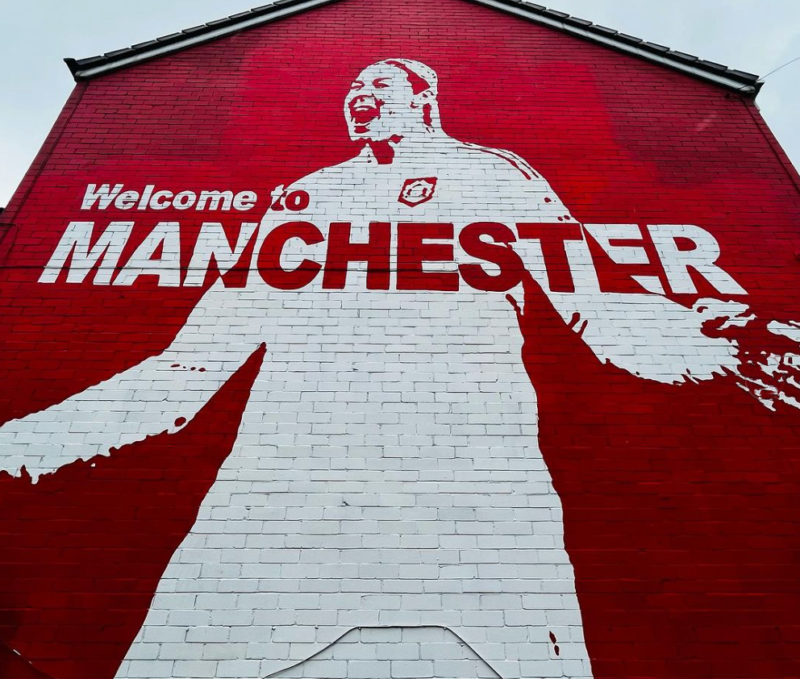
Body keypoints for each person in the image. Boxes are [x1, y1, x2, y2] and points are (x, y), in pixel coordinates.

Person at [0, 59, 797, 679]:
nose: (358, 97)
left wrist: (733, 341)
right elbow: (186, 371)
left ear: (425, 99)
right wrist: (22, 444)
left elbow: (606, 312)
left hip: (487, 516)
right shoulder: (303, 201)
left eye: (377, 85)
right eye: (351, 89)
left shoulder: (496, 176)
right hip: (266, 518)